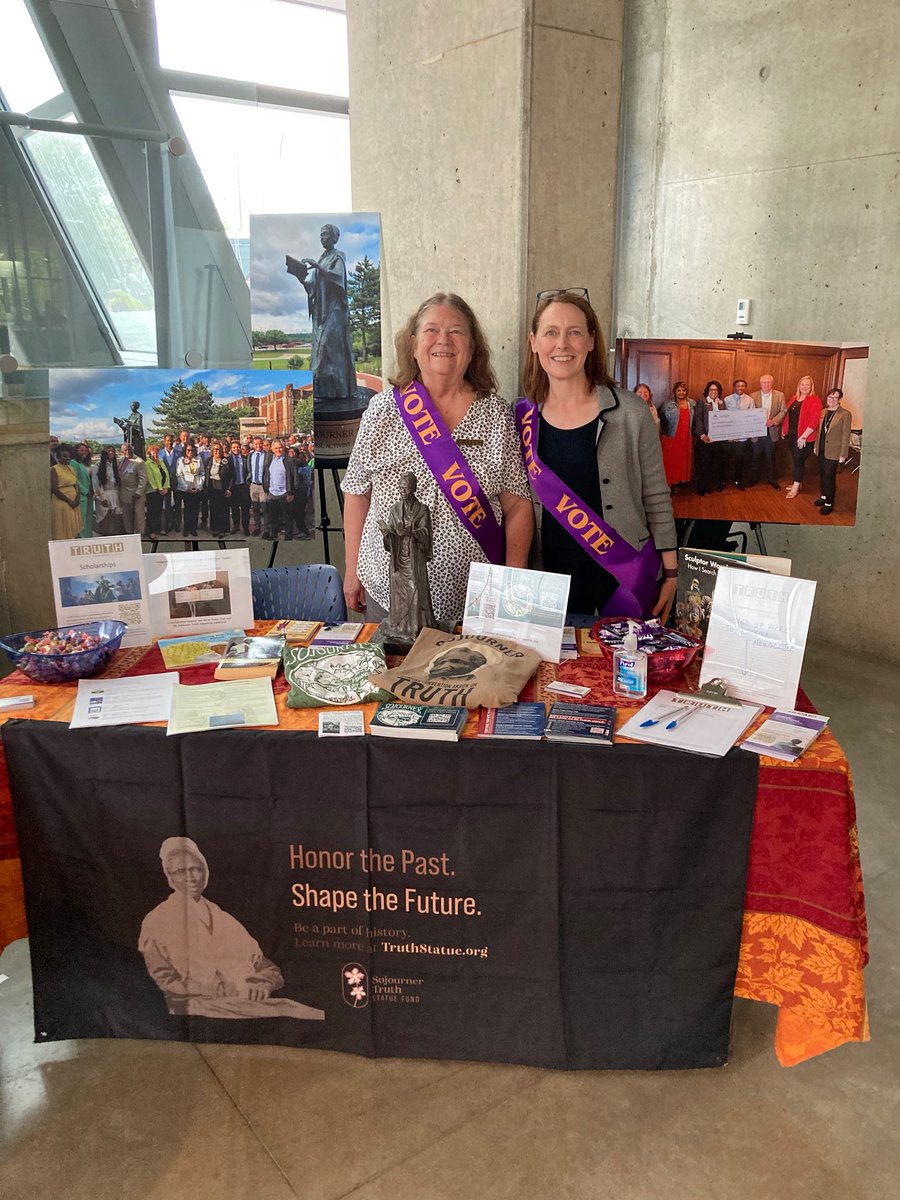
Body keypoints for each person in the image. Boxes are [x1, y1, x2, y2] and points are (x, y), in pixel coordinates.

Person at [341, 292, 533, 625]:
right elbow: (357, 493)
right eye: (431, 330)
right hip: (388, 593)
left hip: (475, 600)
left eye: (456, 331)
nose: (443, 340)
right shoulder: (382, 411)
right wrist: (352, 568)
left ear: (472, 348)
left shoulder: (496, 415)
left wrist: (512, 582)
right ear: (414, 344)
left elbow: (517, 504)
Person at [519, 291, 677, 618]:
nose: (562, 344)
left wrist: (672, 573)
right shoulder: (519, 418)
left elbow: (657, 496)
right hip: (548, 585)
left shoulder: (631, 412)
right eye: (551, 332)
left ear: (592, 341)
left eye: (575, 332)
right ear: (534, 341)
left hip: (625, 581)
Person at [139, 838, 298, 1019]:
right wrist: (212, 991)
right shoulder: (156, 921)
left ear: (205, 871)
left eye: (196, 869)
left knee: (297, 1012)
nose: (191, 877)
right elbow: (160, 979)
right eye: (181, 871)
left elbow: (267, 967)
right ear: (170, 877)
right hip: (194, 1011)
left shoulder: (225, 920)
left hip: (246, 1004)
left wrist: (263, 983)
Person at [287, 223, 357, 402]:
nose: (322, 238)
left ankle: (339, 391)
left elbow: (337, 278)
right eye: (320, 235)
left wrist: (317, 266)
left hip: (334, 311)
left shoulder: (338, 256)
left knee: (328, 349)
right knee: (318, 352)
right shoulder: (322, 258)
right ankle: (323, 391)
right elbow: (313, 287)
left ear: (334, 238)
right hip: (320, 312)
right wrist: (301, 277)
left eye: (325, 235)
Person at [378, 472, 436, 639]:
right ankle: (400, 625)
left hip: (414, 556)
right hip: (398, 555)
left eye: (405, 488)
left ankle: (416, 626)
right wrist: (388, 534)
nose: (402, 491)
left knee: (415, 588)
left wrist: (411, 532)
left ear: (413, 489)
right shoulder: (395, 509)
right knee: (398, 590)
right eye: (400, 488)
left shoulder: (422, 510)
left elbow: (426, 533)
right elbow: (391, 531)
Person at [782, 375, 823, 498]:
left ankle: (795, 487)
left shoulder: (814, 400)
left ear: (811, 387)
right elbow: (787, 416)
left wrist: (804, 436)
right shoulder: (794, 398)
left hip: (804, 437)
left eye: (807, 385)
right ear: (799, 385)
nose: (804, 387)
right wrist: (784, 430)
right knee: (796, 460)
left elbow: (814, 421)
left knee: (799, 460)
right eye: (802, 384)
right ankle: (798, 482)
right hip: (791, 434)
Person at [813, 388, 852, 516]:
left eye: (835, 398)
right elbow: (820, 431)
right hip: (822, 449)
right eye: (830, 397)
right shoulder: (823, 411)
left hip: (834, 451)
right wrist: (816, 446)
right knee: (822, 474)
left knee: (829, 476)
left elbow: (846, 435)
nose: (832, 400)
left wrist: (843, 455)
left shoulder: (845, 414)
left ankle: (829, 503)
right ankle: (824, 496)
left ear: (839, 400)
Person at [749, 373, 787, 489]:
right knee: (755, 456)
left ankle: (771, 479)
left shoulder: (780, 395)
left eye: (769, 382)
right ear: (760, 383)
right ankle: (754, 478)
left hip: (772, 431)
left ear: (772, 383)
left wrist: (774, 421)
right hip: (756, 432)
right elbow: (748, 413)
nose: (766, 384)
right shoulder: (752, 396)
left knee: (771, 456)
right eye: (764, 382)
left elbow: (783, 411)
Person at [692, 380, 727, 496]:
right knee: (704, 464)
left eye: (716, 390)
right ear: (707, 391)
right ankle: (702, 487)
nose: (713, 392)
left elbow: (726, 419)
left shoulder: (722, 403)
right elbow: (698, 419)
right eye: (711, 389)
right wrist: (702, 435)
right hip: (705, 439)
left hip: (718, 439)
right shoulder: (702, 402)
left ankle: (714, 484)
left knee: (716, 463)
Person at [659, 380, 693, 492]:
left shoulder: (692, 403)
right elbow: (659, 418)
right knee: (670, 462)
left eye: (684, 390)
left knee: (682, 461)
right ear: (674, 392)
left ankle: (679, 482)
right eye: (679, 390)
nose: (681, 392)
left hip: (686, 438)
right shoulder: (667, 404)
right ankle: (670, 484)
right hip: (672, 437)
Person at [722, 379, 753, 489]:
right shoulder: (726, 399)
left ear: (745, 387)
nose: (740, 388)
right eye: (738, 386)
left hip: (742, 437)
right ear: (734, 387)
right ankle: (723, 481)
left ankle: (738, 480)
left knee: (740, 460)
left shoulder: (750, 400)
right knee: (726, 459)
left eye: (742, 386)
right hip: (729, 436)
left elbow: (752, 416)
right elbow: (723, 416)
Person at [263, 439, 296, 540]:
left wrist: (291, 493)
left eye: (280, 448)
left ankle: (288, 535)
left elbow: (294, 478)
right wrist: (266, 488)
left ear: (284, 448)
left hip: (285, 493)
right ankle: (273, 534)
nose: (278, 450)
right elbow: (266, 474)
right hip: (272, 492)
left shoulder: (289, 461)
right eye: (276, 448)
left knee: (287, 516)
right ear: (272, 449)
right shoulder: (269, 459)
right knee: (273, 516)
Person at [50, 444, 84, 540]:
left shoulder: (71, 469)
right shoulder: (54, 469)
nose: (67, 459)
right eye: (64, 456)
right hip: (62, 501)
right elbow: (54, 489)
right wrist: (69, 501)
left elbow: (76, 484)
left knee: (73, 525)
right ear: (58, 457)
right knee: (63, 526)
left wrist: (77, 499)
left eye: (69, 457)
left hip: (74, 501)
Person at [92, 445, 125, 535]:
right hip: (104, 494)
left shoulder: (115, 465)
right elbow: (96, 484)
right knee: (104, 517)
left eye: (112, 451)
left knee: (113, 517)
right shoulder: (97, 466)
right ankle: (104, 536)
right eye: (108, 451)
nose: (111, 453)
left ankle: (111, 536)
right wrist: (102, 498)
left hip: (114, 494)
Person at [175, 443, 205, 536]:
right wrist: (186, 487)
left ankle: (193, 529)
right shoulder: (180, 460)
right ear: (185, 451)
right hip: (185, 489)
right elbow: (179, 475)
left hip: (196, 488)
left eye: (192, 450)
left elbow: (202, 473)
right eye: (188, 450)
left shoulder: (199, 459)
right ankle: (186, 528)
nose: (190, 452)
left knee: (195, 510)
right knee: (187, 510)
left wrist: (199, 486)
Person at [117, 442, 147, 535]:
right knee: (126, 515)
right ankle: (129, 532)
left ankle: (140, 533)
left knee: (139, 515)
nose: (127, 451)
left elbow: (143, 479)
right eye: (125, 450)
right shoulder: (120, 460)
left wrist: (139, 492)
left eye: (129, 449)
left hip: (136, 494)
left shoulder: (139, 462)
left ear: (132, 449)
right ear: (122, 451)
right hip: (124, 493)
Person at [205, 442, 234, 537]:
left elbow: (232, 476)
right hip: (211, 486)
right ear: (212, 451)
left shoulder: (226, 461)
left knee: (223, 509)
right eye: (216, 449)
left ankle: (223, 530)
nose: (218, 451)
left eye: (219, 449)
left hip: (223, 486)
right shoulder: (208, 460)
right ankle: (215, 529)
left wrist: (229, 489)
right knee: (213, 509)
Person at [144, 443, 170, 538]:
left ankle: (158, 528)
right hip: (152, 491)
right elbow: (150, 478)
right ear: (149, 453)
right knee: (152, 512)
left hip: (161, 491)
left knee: (159, 511)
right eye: (153, 453)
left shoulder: (160, 462)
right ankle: (151, 531)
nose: (155, 454)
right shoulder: (147, 464)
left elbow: (166, 474)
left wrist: (166, 487)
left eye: (156, 452)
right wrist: (159, 489)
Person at [71, 443, 94, 538]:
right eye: (81, 450)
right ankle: (81, 539)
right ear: (75, 451)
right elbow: (74, 479)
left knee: (88, 518)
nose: (84, 452)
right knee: (81, 520)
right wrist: (85, 491)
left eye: (85, 450)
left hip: (89, 495)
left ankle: (88, 537)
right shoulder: (73, 463)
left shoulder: (85, 463)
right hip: (80, 495)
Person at [228, 439, 251, 535]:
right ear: (231, 449)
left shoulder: (245, 458)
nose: (236, 449)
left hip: (244, 487)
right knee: (234, 509)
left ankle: (245, 527)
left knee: (245, 509)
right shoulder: (228, 460)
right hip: (233, 487)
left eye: (237, 447)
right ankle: (236, 526)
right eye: (234, 447)